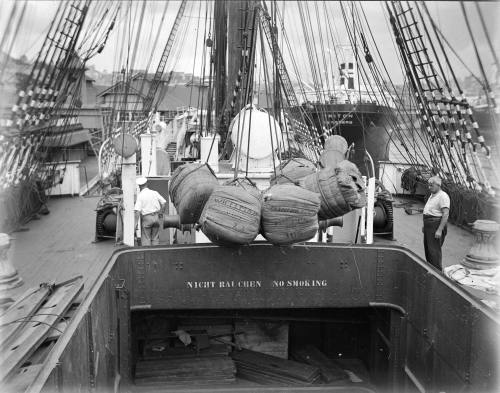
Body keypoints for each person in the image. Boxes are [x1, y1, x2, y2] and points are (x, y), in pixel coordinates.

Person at [422, 176, 450, 270]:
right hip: (428, 225)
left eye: (431, 185)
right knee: (428, 250)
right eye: (429, 185)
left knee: (434, 252)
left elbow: (445, 214)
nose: (429, 187)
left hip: (435, 225)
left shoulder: (443, 196)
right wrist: (424, 226)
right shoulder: (433, 195)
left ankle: (437, 273)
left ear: (438, 185)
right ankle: (430, 269)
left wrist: (439, 230)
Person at [134, 177, 166, 246]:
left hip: (147, 218)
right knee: (155, 238)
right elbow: (163, 203)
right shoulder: (154, 193)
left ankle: (148, 254)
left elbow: (137, 211)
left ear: (139, 186)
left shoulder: (140, 196)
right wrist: (161, 213)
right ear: (147, 184)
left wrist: (136, 223)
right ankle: (155, 254)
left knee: (146, 238)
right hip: (156, 217)